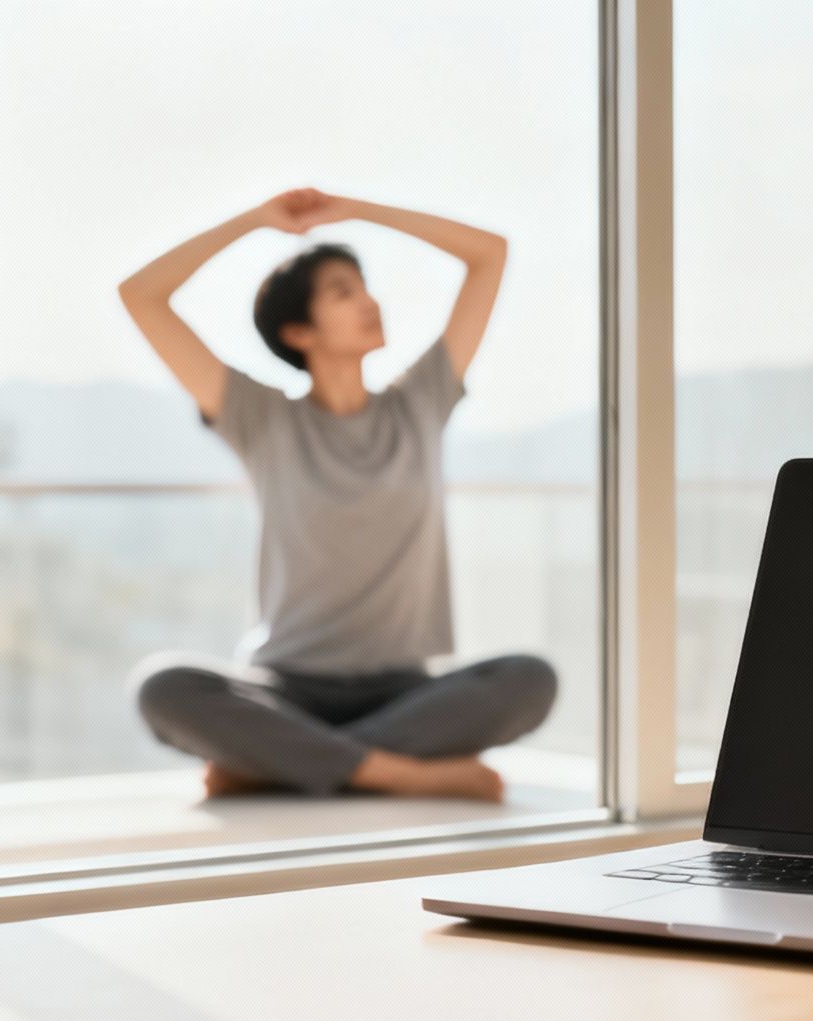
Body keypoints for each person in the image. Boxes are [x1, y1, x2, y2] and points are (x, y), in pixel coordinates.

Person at [117, 189, 555, 800]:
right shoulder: (261, 418)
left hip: (405, 690)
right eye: (342, 292)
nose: (368, 301)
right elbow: (141, 295)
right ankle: (394, 774)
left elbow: (489, 255)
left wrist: (362, 211)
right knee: (162, 687)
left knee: (531, 679)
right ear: (298, 330)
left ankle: (280, 764)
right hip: (285, 687)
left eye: (364, 286)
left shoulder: (420, 401)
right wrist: (253, 222)